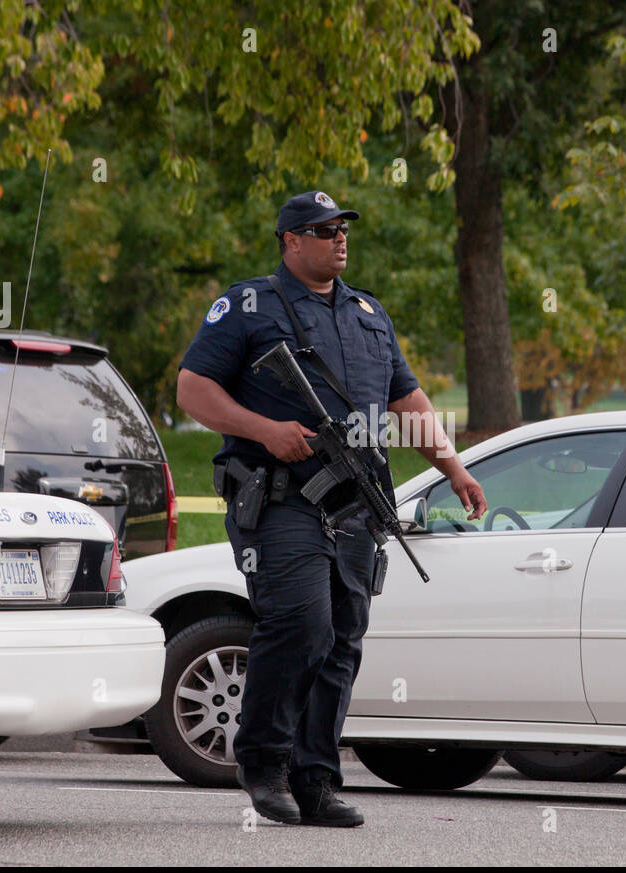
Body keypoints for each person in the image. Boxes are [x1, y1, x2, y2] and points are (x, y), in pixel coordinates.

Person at [176, 189, 486, 826]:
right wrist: (266, 430)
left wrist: (453, 468)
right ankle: (263, 762)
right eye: (322, 230)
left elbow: (407, 399)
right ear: (291, 241)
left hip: (355, 504)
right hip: (281, 497)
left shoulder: (369, 313)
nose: (338, 238)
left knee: (343, 641)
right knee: (301, 625)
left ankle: (316, 780)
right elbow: (193, 390)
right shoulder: (247, 305)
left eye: (342, 227)